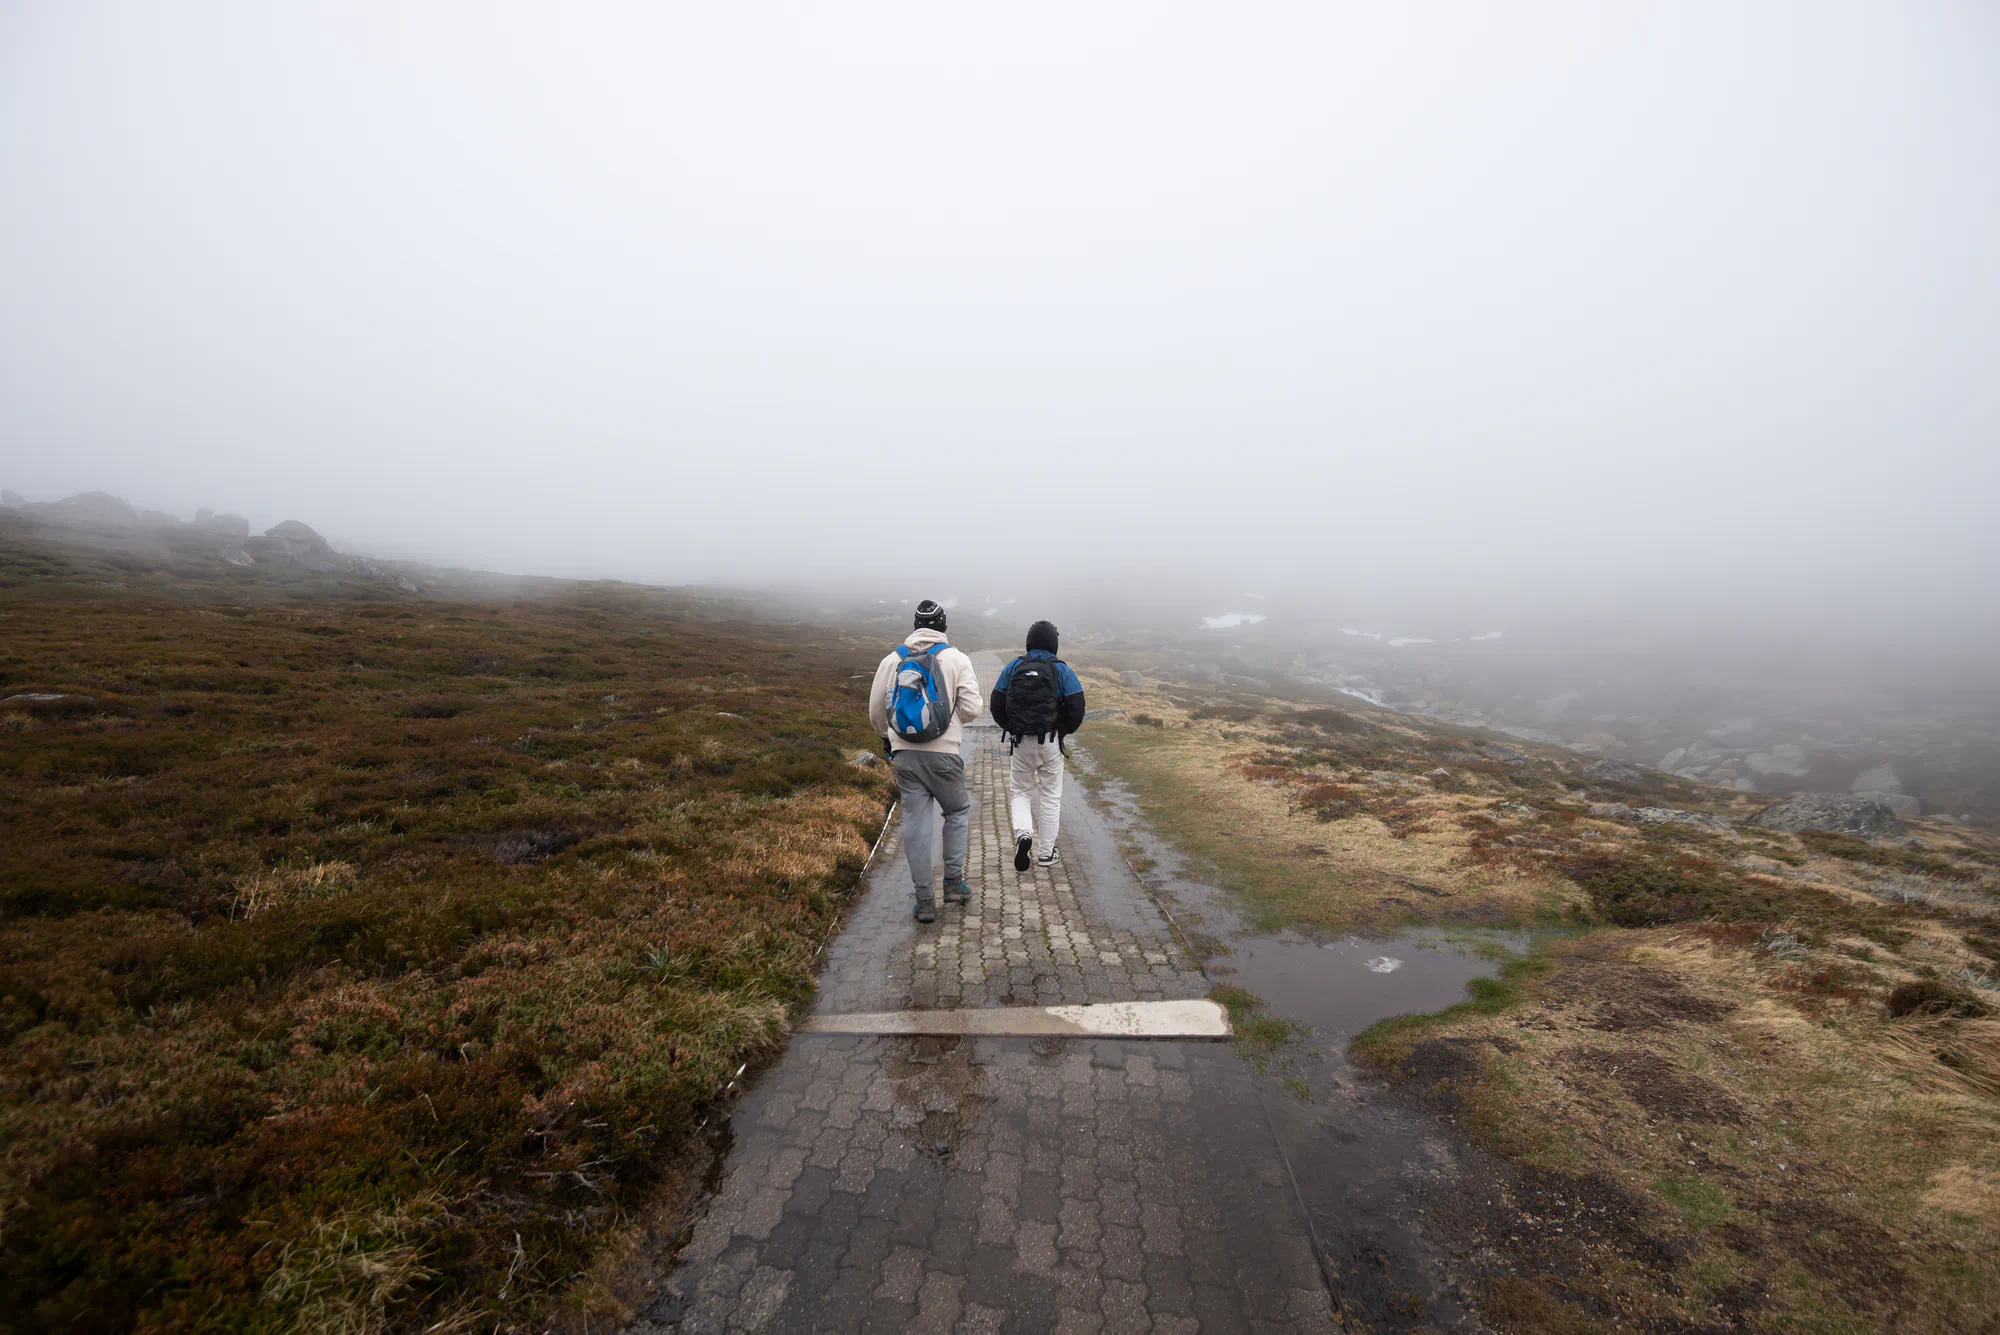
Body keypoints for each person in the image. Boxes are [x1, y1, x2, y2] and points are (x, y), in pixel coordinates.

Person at [867, 599, 982, 922]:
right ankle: (953, 884)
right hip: (945, 755)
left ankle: (924, 900)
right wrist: (949, 722)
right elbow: (973, 709)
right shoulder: (957, 659)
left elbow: (877, 711)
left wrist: (888, 738)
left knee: (916, 824)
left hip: (905, 755)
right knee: (957, 811)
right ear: (942, 626)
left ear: (915, 625)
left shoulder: (893, 660)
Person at [989, 620, 1086, 872]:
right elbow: (1077, 708)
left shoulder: (1014, 666)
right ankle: (1045, 854)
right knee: (1050, 797)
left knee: (1020, 792)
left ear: (1029, 641)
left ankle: (1024, 835)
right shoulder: (1061, 670)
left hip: (1021, 742)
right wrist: (1061, 731)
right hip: (1050, 741)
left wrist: (1012, 728)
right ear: (1054, 643)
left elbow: (996, 704)